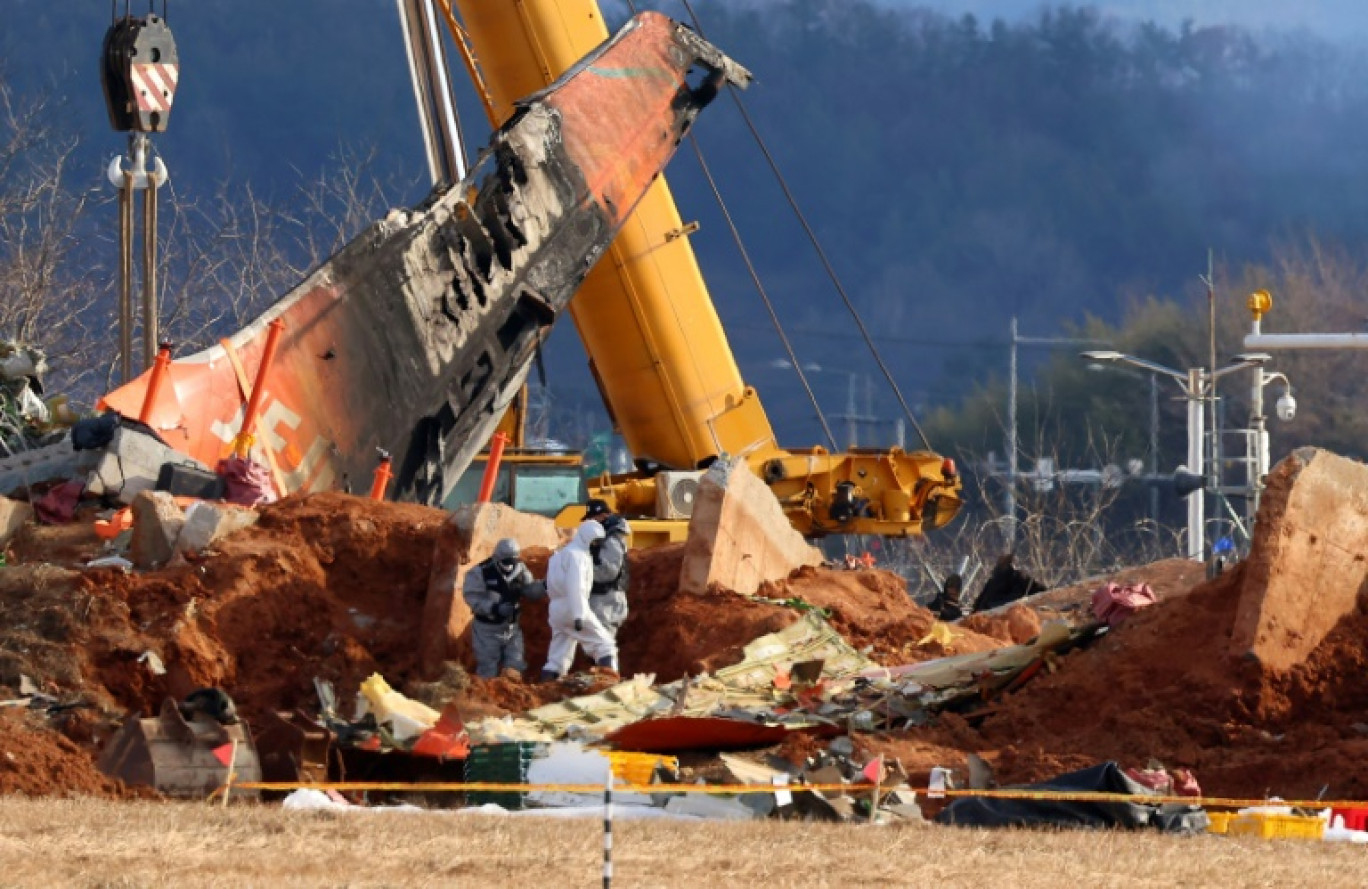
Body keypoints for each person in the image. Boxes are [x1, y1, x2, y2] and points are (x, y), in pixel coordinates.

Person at [540, 520, 618, 681]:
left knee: (558, 657)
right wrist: (578, 614)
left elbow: (550, 584)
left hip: (556, 608)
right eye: (594, 540)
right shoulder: (578, 557)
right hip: (574, 606)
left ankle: (545, 688)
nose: (595, 544)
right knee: (604, 645)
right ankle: (609, 684)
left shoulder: (559, 555)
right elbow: (574, 586)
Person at [461, 538, 546, 679]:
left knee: (515, 666)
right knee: (488, 669)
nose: (509, 565)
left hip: (512, 629)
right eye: (506, 561)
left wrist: (543, 586)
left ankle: (511, 693)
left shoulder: (520, 569)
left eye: (512, 560)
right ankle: (486, 696)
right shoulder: (481, 572)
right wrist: (495, 608)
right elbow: (472, 597)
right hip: (487, 630)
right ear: (497, 557)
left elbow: (529, 590)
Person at [589, 509, 631, 641]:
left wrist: (584, 571)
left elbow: (608, 572)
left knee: (602, 645)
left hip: (607, 601)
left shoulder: (610, 541)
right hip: (604, 600)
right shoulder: (605, 539)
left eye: (592, 518)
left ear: (603, 516)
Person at [972, 553, 1046, 613]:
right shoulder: (994, 580)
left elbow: (1015, 598)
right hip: (986, 614)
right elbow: (980, 602)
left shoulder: (1018, 578)